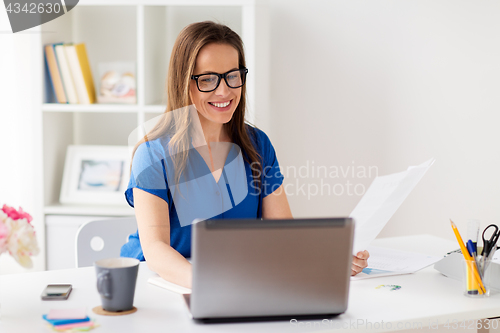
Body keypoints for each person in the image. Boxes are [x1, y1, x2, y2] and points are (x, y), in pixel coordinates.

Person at [120, 21, 369, 288]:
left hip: (231, 280)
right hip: (158, 283)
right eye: (207, 79)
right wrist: (209, 283)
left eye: (233, 75)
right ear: (184, 82)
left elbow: (284, 235)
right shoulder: (153, 154)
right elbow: (156, 248)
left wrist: (329, 259)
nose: (224, 90)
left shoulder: (257, 145)